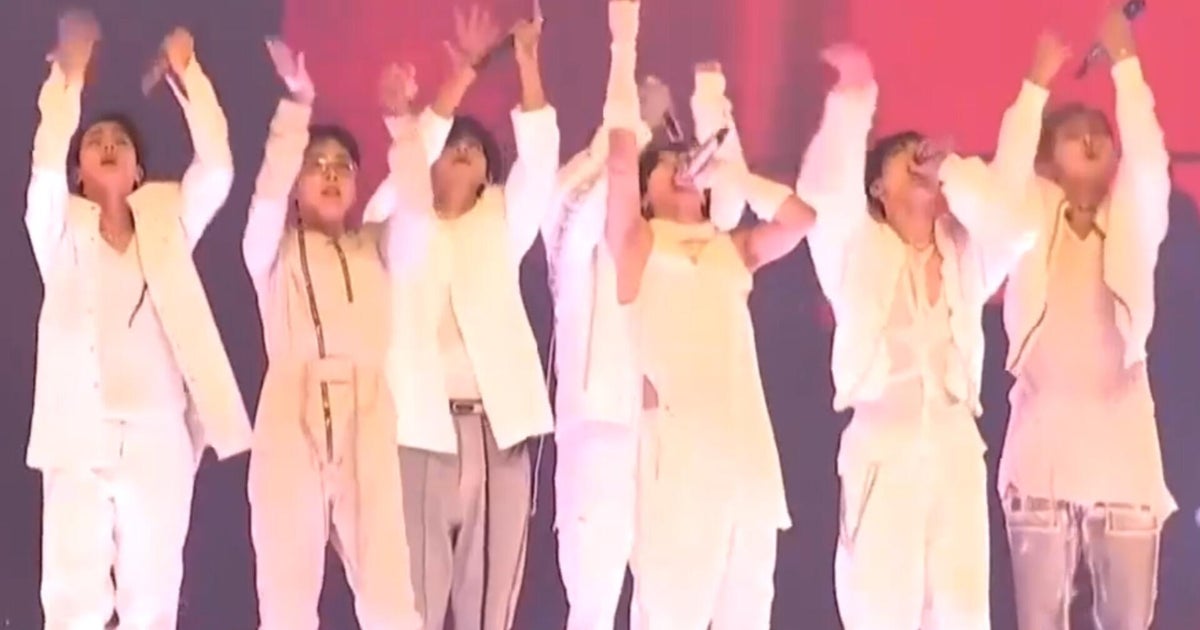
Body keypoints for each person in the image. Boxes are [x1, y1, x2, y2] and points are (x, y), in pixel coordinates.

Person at [795, 38, 1066, 628]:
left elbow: (1016, 224)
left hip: (955, 450)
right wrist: (855, 96)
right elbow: (824, 195)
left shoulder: (965, 252)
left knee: (962, 611)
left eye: (927, 158)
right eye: (905, 158)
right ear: (876, 188)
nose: (920, 164)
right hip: (882, 452)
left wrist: (959, 164)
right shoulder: (855, 250)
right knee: (882, 609)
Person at [24, 10, 251, 629]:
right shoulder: (59, 228)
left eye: (120, 143)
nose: (107, 145)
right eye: (95, 140)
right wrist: (70, 77)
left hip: (157, 434)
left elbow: (219, 168)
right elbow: (44, 164)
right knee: (72, 601)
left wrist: (188, 71)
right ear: (79, 171)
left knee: (151, 600)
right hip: (76, 431)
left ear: (139, 172)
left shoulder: (169, 219)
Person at [604, 60, 817, 628]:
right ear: (644, 195)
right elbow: (620, 165)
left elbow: (800, 221)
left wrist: (733, 176)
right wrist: (625, 54)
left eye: (688, 164)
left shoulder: (730, 249)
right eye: (667, 167)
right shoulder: (639, 243)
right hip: (678, 463)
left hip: (747, 461)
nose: (682, 171)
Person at [365, 6, 559, 629]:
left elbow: (541, 161)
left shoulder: (501, 220)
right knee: (412, 605)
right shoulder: (391, 221)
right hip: (418, 430)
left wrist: (526, 61)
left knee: (489, 609)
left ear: (488, 175)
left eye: (476, 150)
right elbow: (410, 154)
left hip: (499, 430)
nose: (463, 153)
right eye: (452, 145)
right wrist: (465, 73)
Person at [998, 5, 1174, 628]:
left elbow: (1149, 161)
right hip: (1042, 452)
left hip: (1122, 450)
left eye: (1100, 131)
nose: (1092, 139)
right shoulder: (1024, 219)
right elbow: (1002, 182)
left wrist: (1125, 62)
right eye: (1074, 133)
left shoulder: (1135, 219)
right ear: (1048, 159)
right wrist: (1035, 85)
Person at [240, 40, 423, 630]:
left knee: (389, 592)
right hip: (290, 410)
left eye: (342, 166)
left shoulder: (377, 247)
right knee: (286, 595)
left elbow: (419, 215)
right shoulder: (272, 251)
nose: (330, 173)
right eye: (316, 164)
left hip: (367, 410)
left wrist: (402, 122)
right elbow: (266, 196)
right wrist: (298, 104)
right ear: (298, 183)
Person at [544, 2, 647, 628]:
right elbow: (616, 160)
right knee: (593, 611)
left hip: (650, 441)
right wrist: (624, 42)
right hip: (595, 437)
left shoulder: (647, 245)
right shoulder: (566, 227)